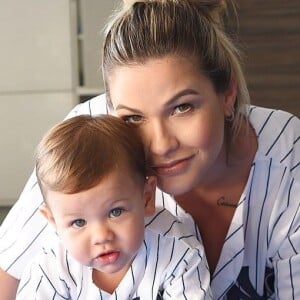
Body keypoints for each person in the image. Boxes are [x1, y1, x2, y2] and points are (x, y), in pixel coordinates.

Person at [1, 0, 300, 298]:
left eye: (182, 107)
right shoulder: (86, 140)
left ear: (227, 95)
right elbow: (8, 276)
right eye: (132, 118)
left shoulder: (288, 157)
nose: (160, 144)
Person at [15, 114, 211, 299]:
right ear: (53, 221)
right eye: (78, 222)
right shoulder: (50, 267)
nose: (101, 236)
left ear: (147, 198)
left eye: (115, 212)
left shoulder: (178, 252)